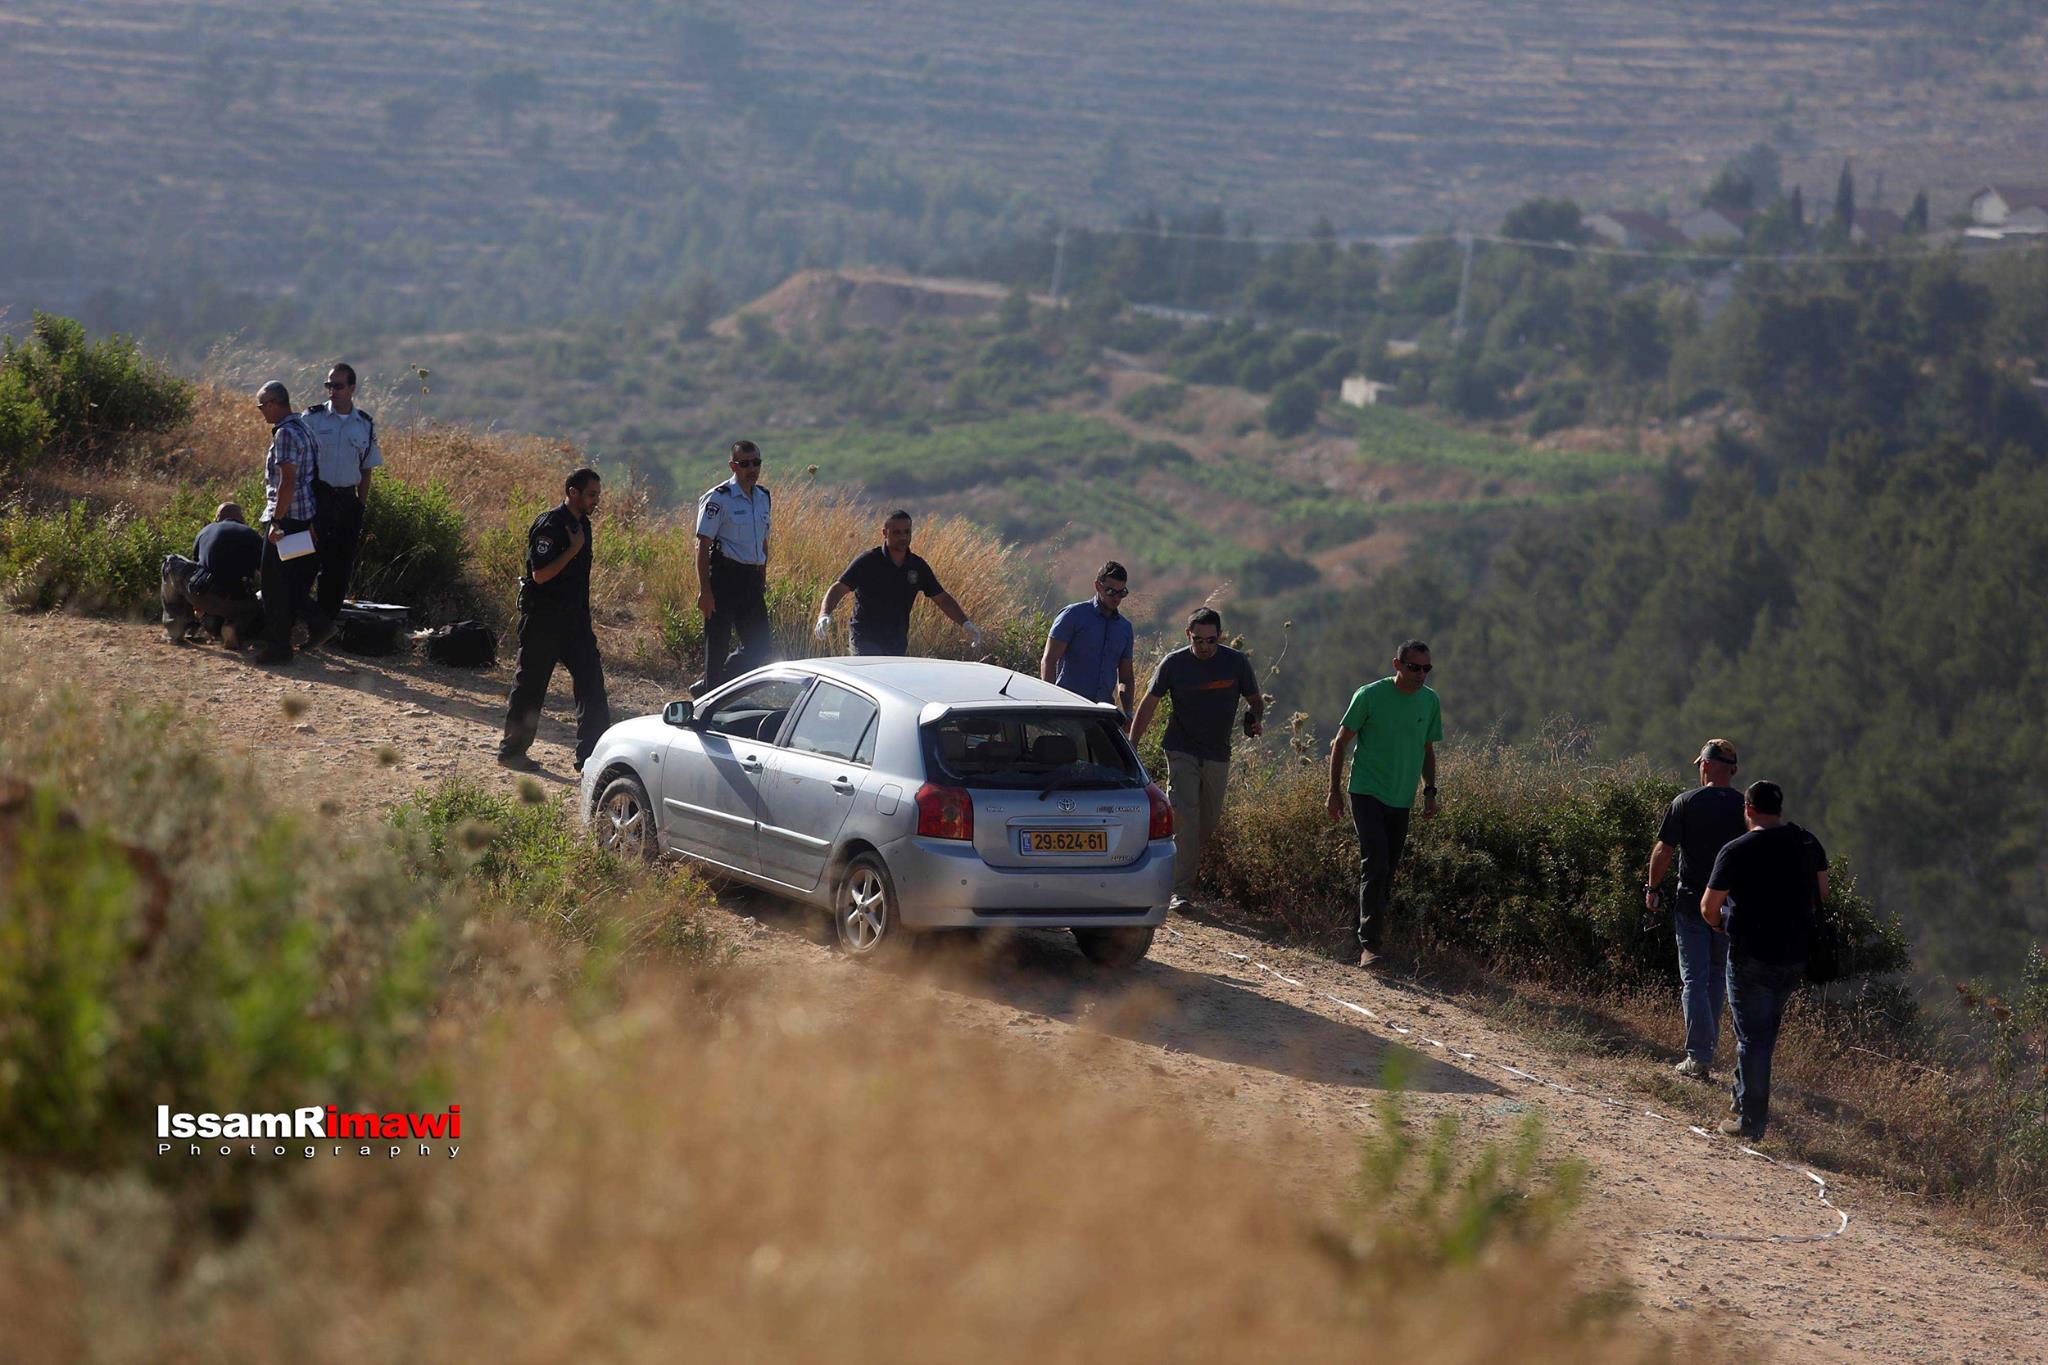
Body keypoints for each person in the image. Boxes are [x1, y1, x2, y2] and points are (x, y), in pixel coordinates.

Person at [1701, 781, 1829, 1142]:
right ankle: (1741, 1102)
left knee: (1753, 1039)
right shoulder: (1807, 843)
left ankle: (1751, 1121)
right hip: (1794, 956)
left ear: (1748, 809)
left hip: (1751, 954)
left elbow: (1709, 907)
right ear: (1780, 809)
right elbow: (1823, 893)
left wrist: (1719, 925)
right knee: (1762, 1034)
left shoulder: (1737, 849)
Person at [1128, 607, 1264, 912]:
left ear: (1220, 636)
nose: (1204, 646)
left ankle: (1172, 869)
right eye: (1198, 639)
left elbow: (1255, 700)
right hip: (1181, 749)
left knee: (1208, 822)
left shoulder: (1236, 663)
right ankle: (1181, 892)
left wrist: (1254, 718)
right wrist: (1131, 746)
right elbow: (1149, 705)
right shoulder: (1174, 664)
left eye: (1211, 640)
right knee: (1186, 815)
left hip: (1217, 752)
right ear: (1188, 635)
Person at [1325, 640, 1442, 968]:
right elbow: (1340, 743)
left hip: (1401, 798)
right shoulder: (1370, 696)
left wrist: (1429, 792)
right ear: (1397, 665)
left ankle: (1365, 931)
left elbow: (1427, 751)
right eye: (1414, 667)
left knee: (1386, 871)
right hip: (1366, 791)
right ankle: (1369, 946)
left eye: (1426, 668)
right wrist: (1333, 791)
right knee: (1375, 862)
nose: (1420, 674)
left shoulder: (1430, 702)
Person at [1644, 739, 1748, 1081]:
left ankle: (1698, 1057)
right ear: (1731, 770)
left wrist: (1653, 889)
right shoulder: (1746, 808)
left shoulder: (1686, 802)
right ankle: (1706, 1051)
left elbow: (1664, 851)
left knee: (1694, 979)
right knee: (1717, 977)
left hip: (1692, 903)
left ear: (1705, 765)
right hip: (1731, 909)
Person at [498, 469, 612, 773]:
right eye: (591, 494)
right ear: (573, 493)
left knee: (592, 687)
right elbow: (541, 574)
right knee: (531, 687)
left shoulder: (582, 525)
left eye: (598, 495)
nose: (596, 500)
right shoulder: (551, 524)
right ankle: (513, 752)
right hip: (544, 620)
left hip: (574, 622)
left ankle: (590, 758)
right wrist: (572, 550)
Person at [814, 510, 983, 657]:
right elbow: (838, 588)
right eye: (896, 532)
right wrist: (824, 614)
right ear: (885, 533)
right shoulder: (868, 561)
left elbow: (941, 598)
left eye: (907, 532)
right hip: (865, 638)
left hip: (896, 642)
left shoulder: (917, 566)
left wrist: (965, 623)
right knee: (872, 681)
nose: (903, 537)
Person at [301, 362, 382, 628]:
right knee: (302, 560)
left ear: (352, 389)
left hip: (346, 501)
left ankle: (323, 626)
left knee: (338, 567)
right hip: (315, 498)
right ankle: (294, 620)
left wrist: (360, 505)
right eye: (328, 385)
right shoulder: (311, 418)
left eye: (338, 386)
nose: (332, 391)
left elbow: (366, 469)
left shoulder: (365, 425)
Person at [251, 381, 327, 665]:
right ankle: (318, 622)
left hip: (287, 518)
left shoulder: (285, 433)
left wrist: (276, 522)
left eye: (261, 406)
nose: (261, 412)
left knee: (273, 584)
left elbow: (287, 482)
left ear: (273, 403)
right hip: (304, 515)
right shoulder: (305, 428)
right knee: (292, 582)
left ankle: (279, 647)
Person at [693, 440, 775, 693]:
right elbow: (703, 545)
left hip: (751, 580)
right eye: (745, 464)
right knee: (717, 644)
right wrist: (705, 591)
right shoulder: (719, 498)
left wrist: (762, 576)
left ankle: (712, 687)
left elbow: (762, 541)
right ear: (733, 465)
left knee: (760, 646)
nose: (752, 468)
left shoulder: (763, 497)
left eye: (756, 462)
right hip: (725, 577)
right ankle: (709, 695)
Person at [161, 503, 266, 648]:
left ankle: (175, 630)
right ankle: (233, 628)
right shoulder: (252, 535)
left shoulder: (206, 531)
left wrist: (197, 605)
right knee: (256, 600)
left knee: (170, 562)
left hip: (203, 596)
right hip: (238, 603)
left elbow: (197, 568)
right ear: (241, 518)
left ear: (218, 518)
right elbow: (265, 573)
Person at [1041, 562, 1136, 712]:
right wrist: (1050, 703)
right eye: (1111, 591)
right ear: (1098, 586)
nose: (1116, 598)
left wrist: (1128, 712)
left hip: (1102, 713)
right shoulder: (1072, 615)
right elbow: (1049, 660)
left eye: (1121, 593)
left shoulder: (1125, 628)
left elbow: (1126, 677)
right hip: (1068, 708)